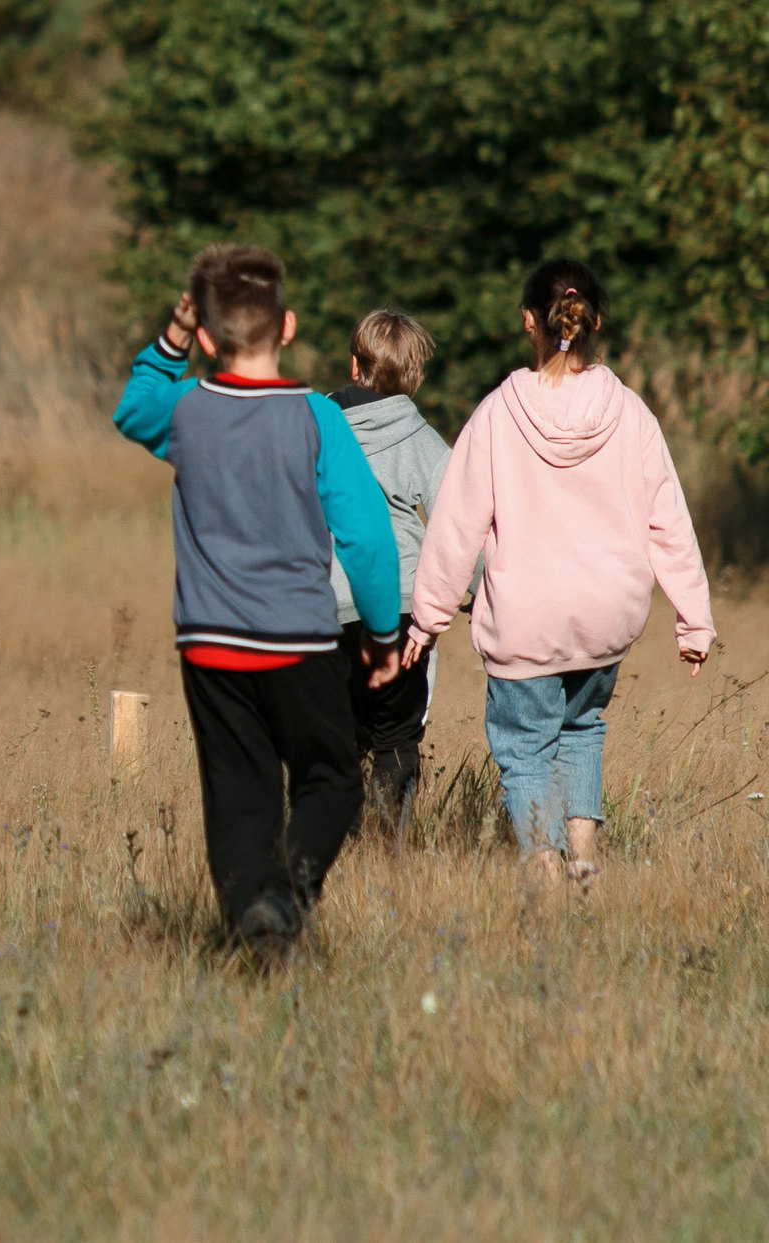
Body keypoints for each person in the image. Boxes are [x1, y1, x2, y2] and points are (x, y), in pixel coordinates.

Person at [112, 246, 403, 955]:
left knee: (238, 795)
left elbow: (133, 408)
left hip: (210, 644)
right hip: (300, 640)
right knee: (332, 779)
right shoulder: (317, 418)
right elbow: (366, 536)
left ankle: (255, 922)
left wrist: (172, 336)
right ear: (289, 326)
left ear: (208, 340)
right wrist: (383, 633)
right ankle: (288, 892)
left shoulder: (187, 410)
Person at [405, 259, 713, 890]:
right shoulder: (631, 413)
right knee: (581, 731)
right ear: (594, 322)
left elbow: (457, 524)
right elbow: (669, 520)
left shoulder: (498, 414)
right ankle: (586, 870)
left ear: (529, 322)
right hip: (607, 615)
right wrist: (694, 620)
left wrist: (428, 618)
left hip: (527, 617)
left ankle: (545, 882)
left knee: (525, 750)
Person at [326, 309, 458, 831]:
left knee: (333, 739)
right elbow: (457, 526)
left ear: (353, 366)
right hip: (399, 608)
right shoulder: (423, 440)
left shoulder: (313, 429)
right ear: (413, 377)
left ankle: (335, 849)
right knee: (396, 739)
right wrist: (479, 590)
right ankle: (388, 852)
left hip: (323, 609)